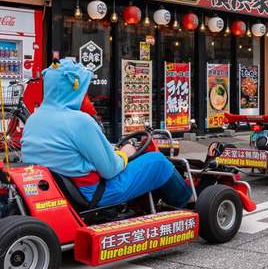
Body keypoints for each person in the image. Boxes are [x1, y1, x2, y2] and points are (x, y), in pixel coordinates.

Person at [21, 59, 192, 207]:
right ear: (74, 89)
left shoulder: (34, 118)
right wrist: (124, 154)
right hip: (91, 193)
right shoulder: (79, 121)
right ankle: (186, 199)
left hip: (55, 189)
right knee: (157, 162)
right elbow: (110, 170)